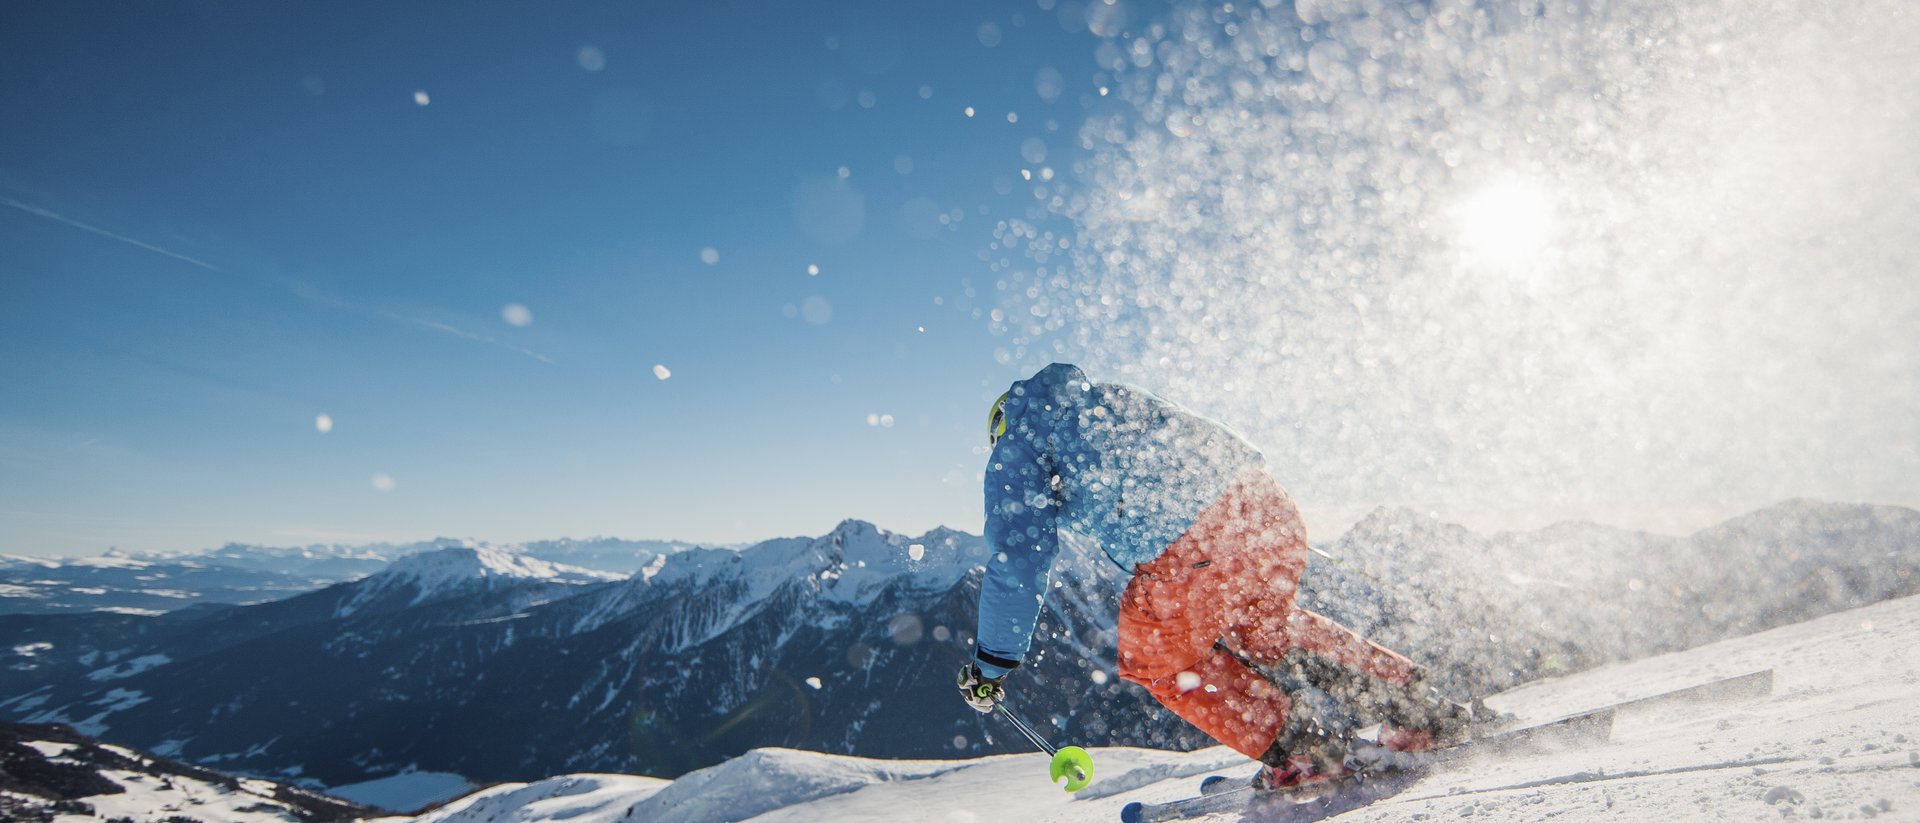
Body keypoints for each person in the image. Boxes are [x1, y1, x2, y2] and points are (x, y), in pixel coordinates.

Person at [956, 363, 1471, 789]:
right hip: (1266, 504)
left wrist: (992, 665)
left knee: (1155, 662)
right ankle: (1418, 706)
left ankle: (1307, 752)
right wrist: (1244, 521)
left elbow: (1018, 561)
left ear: (998, 428)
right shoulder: (1105, 396)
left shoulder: (1016, 447)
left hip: (1192, 546)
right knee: (1266, 627)